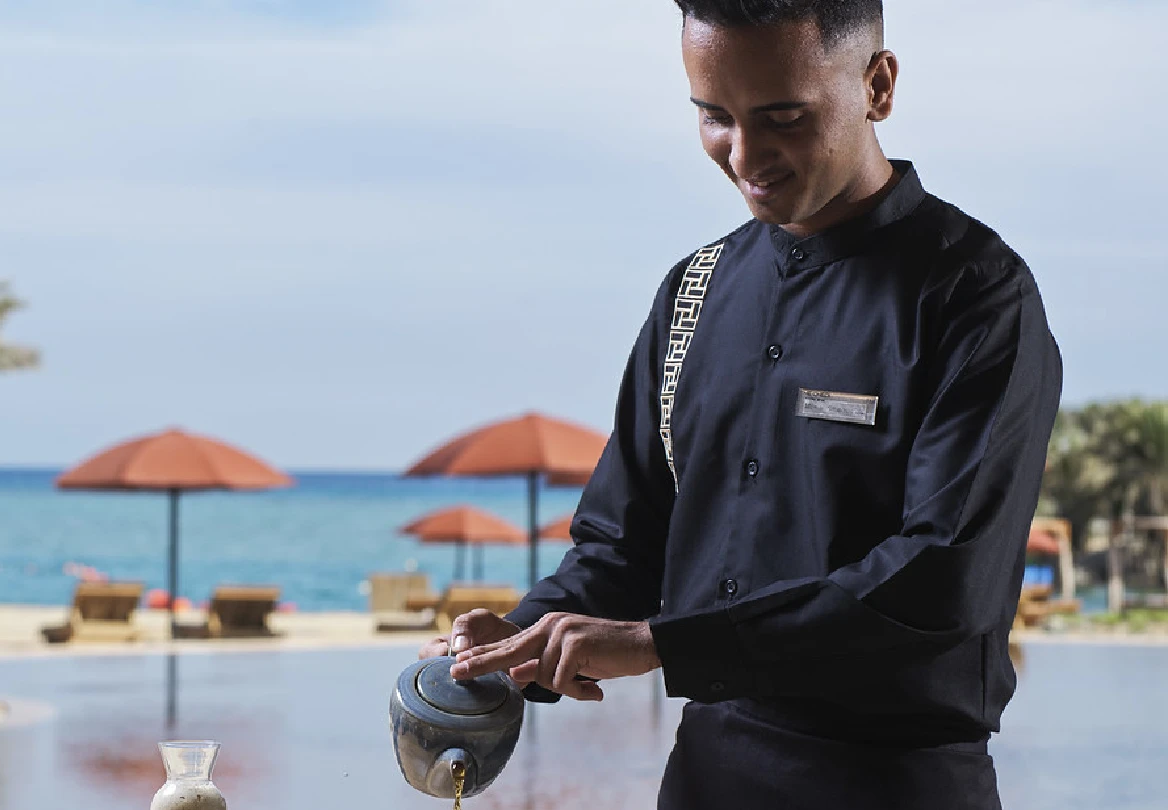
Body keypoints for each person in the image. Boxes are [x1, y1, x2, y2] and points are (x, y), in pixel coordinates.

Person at [422, 2, 1062, 808]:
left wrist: (662, 646)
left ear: (878, 84)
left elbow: (939, 582)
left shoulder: (976, 295)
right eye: (714, 116)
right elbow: (624, 542)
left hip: (899, 781)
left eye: (783, 117)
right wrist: (520, 640)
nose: (746, 155)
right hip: (706, 775)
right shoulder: (694, 291)